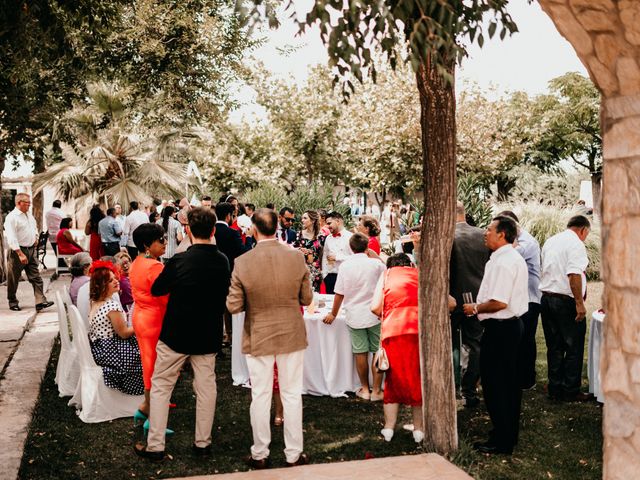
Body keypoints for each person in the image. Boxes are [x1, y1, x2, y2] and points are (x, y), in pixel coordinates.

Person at [135, 208, 230, 460]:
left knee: (161, 386)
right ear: (212, 231)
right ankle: (202, 444)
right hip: (207, 334)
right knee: (206, 388)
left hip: (176, 332)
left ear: (188, 230)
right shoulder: (222, 261)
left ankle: (155, 445)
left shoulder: (179, 260)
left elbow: (157, 289)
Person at [227, 208, 313, 469]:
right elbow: (307, 298)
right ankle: (294, 454)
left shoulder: (243, 262)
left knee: (261, 395)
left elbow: (233, 306)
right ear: (277, 227)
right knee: (291, 394)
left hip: (260, 334)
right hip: (291, 333)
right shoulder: (296, 257)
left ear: (254, 229)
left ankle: (260, 452)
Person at [462, 216, 529, 455]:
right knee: (508, 384)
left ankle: (502, 441)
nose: (485, 233)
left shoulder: (503, 262)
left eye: (489, 230)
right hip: (510, 327)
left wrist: (475, 308)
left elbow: (499, 302)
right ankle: (506, 433)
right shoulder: (509, 257)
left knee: (496, 385)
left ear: (502, 234)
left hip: (501, 329)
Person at [323, 233, 386, 401]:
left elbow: (339, 293)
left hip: (355, 314)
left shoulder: (345, 266)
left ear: (350, 248)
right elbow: (387, 271)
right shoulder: (376, 265)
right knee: (376, 351)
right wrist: (374, 254)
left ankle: (365, 388)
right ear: (367, 247)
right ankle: (377, 390)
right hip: (375, 314)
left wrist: (333, 313)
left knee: (361, 353)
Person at [370, 254, 423, 443]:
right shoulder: (419, 273)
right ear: (410, 264)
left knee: (392, 380)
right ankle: (419, 430)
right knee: (418, 379)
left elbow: (375, 307)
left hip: (393, 331)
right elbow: (450, 302)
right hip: (418, 331)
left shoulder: (387, 275)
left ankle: (389, 428)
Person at [539, 215, 591, 402]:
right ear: (583, 230)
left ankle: (555, 388)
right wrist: (579, 303)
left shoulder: (551, 241)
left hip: (547, 298)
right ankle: (570, 390)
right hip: (565, 302)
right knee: (573, 346)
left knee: (554, 346)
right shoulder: (576, 244)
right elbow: (574, 274)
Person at [449, 200, 490, 408]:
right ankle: (470, 391)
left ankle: (451, 388)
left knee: (449, 343)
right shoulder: (483, 235)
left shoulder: (446, 236)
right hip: (477, 297)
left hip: (450, 299)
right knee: (475, 345)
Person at [129, 223, 170, 425]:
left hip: (140, 316)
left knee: (149, 362)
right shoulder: (154, 266)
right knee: (155, 364)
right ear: (147, 245)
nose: (165, 242)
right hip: (154, 318)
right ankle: (150, 411)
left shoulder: (137, 262)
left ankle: (148, 406)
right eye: (161, 240)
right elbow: (164, 295)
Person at [498, 210, 542, 390]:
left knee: (526, 341)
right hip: (520, 299)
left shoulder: (526, 243)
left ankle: (527, 379)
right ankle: (518, 376)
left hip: (530, 299)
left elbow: (508, 257)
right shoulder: (517, 241)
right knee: (518, 340)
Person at [88, 260, 144, 397]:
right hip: (113, 351)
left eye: (115, 278)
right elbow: (124, 333)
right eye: (109, 281)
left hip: (100, 349)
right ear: (100, 285)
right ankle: (149, 392)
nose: (116, 281)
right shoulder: (111, 306)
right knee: (147, 356)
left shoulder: (95, 302)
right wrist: (140, 325)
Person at [5, 193, 54, 312]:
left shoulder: (29, 215)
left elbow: (34, 227)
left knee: (36, 277)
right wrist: (20, 253)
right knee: (13, 279)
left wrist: (36, 237)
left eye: (29, 203)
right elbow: (11, 237)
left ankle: (40, 301)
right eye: (27, 203)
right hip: (18, 252)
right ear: (18, 203)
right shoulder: (12, 217)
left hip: (31, 250)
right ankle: (12, 302)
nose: (29, 205)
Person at [321, 211, 353, 294]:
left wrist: (338, 257)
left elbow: (355, 258)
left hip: (346, 277)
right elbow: (325, 256)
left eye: (329, 223)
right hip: (330, 277)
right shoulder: (328, 238)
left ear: (338, 221)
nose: (327, 227)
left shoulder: (351, 237)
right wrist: (325, 275)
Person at [293, 210, 325, 291]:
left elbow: (323, 255)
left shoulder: (321, 237)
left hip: (315, 273)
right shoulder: (298, 234)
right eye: (302, 218)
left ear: (313, 220)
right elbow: (293, 252)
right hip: (300, 272)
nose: (302, 220)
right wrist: (300, 250)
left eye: (305, 218)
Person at [214, 202, 249, 272]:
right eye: (233, 215)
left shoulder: (210, 231)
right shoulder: (233, 233)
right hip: (229, 272)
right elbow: (245, 253)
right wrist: (249, 236)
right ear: (228, 216)